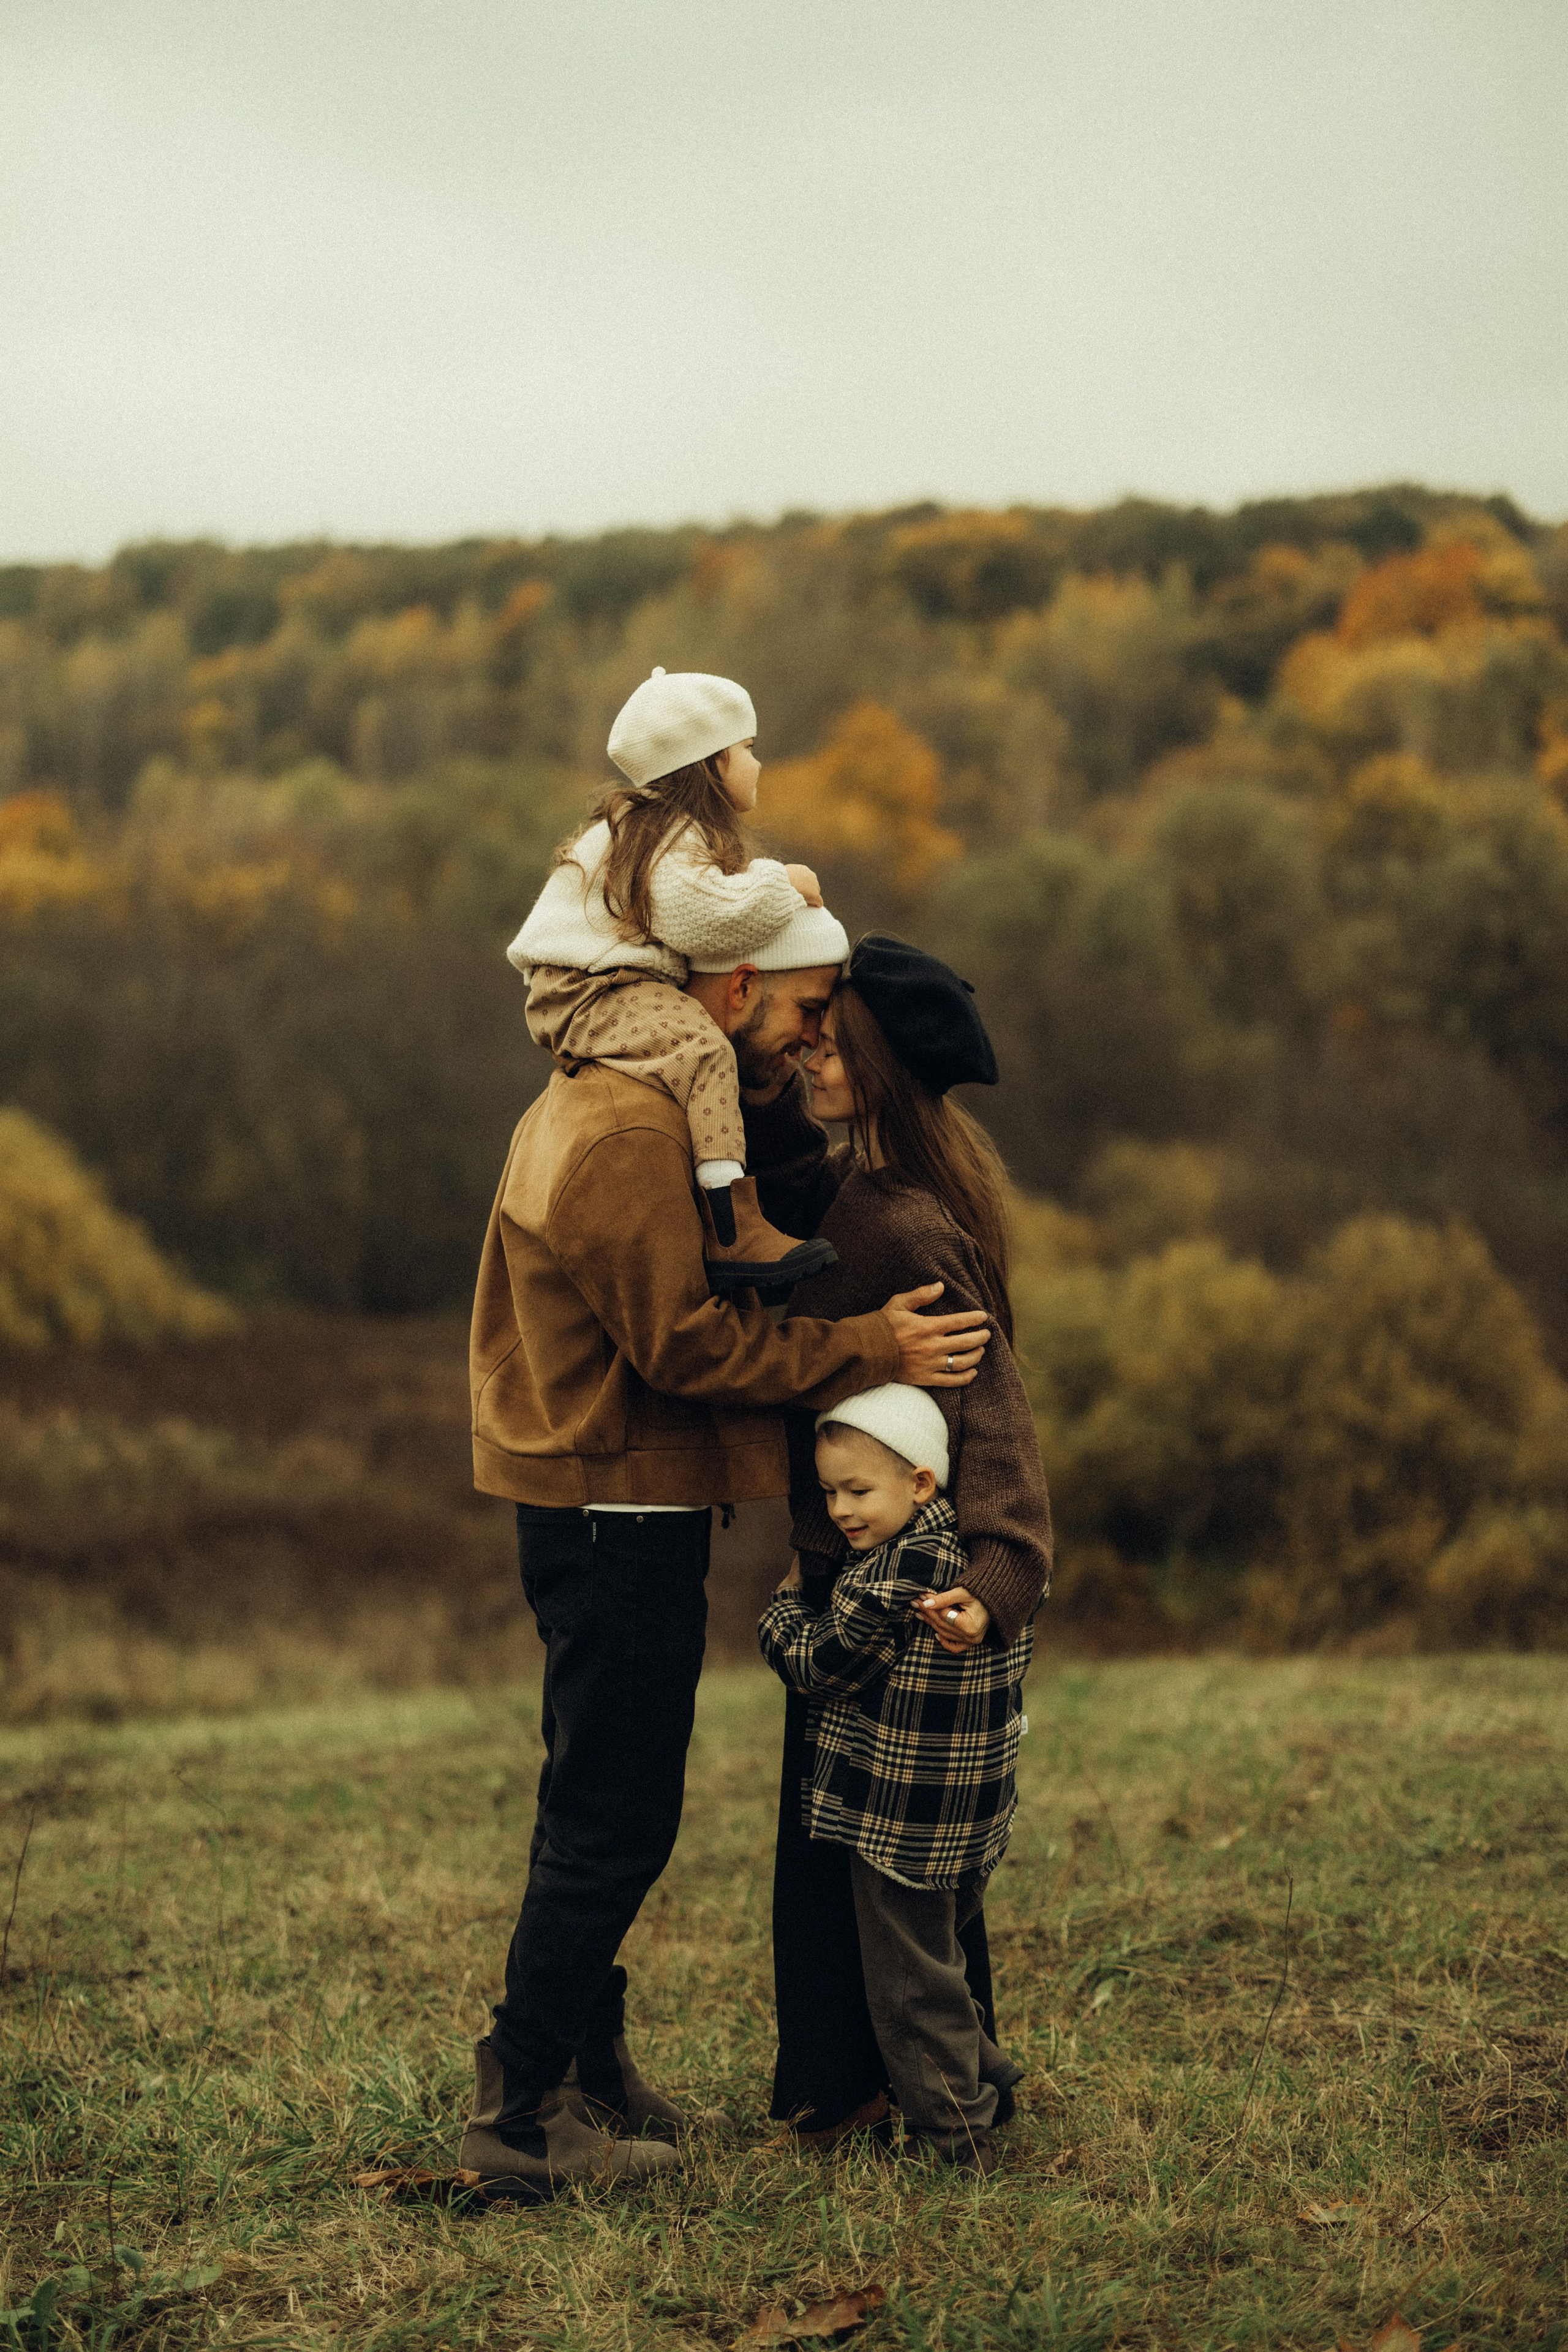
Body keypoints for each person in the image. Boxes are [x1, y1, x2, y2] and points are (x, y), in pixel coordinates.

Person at [459, 900, 997, 2196]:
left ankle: (586, 2064)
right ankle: (521, 2114)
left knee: (600, 1791)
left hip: (614, 1495)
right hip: (612, 1506)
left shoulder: (636, 1099)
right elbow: (683, 1345)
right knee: (615, 1812)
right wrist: (874, 1348)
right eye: (806, 1016)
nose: (811, 1045)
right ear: (738, 984)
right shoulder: (624, 1129)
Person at [741, 932, 1052, 2145]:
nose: (807, 1051)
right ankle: (887, 2084)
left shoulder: (907, 1225)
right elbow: (764, 1162)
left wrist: (998, 1573)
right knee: (863, 1863)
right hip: (846, 1571)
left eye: (826, 1038)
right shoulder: (847, 1189)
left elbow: (995, 1413)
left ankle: (892, 2098)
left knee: (873, 1870)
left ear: (877, 1061)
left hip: (896, 1602)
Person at [758, 1384, 1032, 2177]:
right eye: (830, 1492)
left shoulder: (891, 1577)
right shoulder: (980, 1565)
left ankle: (960, 2138)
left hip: (902, 1821)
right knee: (940, 1956)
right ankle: (988, 2073)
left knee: (912, 1987)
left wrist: (781, 1612)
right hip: (973, 1813)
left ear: (920, 1482)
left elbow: (819, 1665)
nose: (841, 1511)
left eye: (858, 1491)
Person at [509, 664, 833, 1289]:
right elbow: (704, 919)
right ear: (709, 763)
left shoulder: (650, 828)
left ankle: (725, 1214)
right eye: (747, 749)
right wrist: (783, 883)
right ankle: (731, 1229)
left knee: (691, 1047)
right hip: (585, 990)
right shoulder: (663, 834)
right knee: (703, 1048)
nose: (758, 764)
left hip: (586, 986)